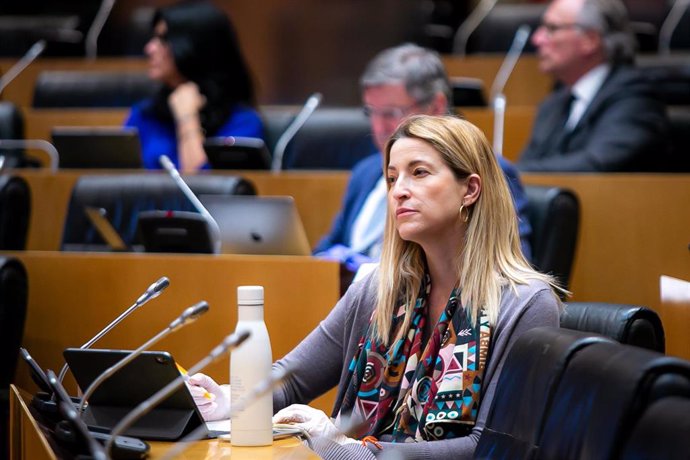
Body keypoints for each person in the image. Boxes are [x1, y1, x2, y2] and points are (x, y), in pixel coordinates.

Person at [189, 115, 562, 459]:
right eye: (392, 177)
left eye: (419, 173)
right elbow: (292, 380)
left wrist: (351, 448)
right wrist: (228, 401)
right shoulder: (375, 288)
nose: (399, 190)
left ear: (470, 190)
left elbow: (494, 447)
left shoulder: (526, 304)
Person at [313, 44, 533, 278]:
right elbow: (325, 250)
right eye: (371, 112)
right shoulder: (365, 172)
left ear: (436, 106)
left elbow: (509, 269)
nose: (378, 127)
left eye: (390, 113)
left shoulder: (486, 170)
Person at [516, 0, 669, 172]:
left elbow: (596, 164)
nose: (537, 39)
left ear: (590, 40)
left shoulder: (636, 98)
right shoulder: (553, 103)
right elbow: (528, 164)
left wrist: (505, 173)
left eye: (552, 28)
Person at [124, 1, 263, 172]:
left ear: (197, 48)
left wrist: (187, 118)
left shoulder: (242, 123)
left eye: (164, 40)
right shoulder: (143, 116)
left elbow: (199, 189)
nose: (149, 48)